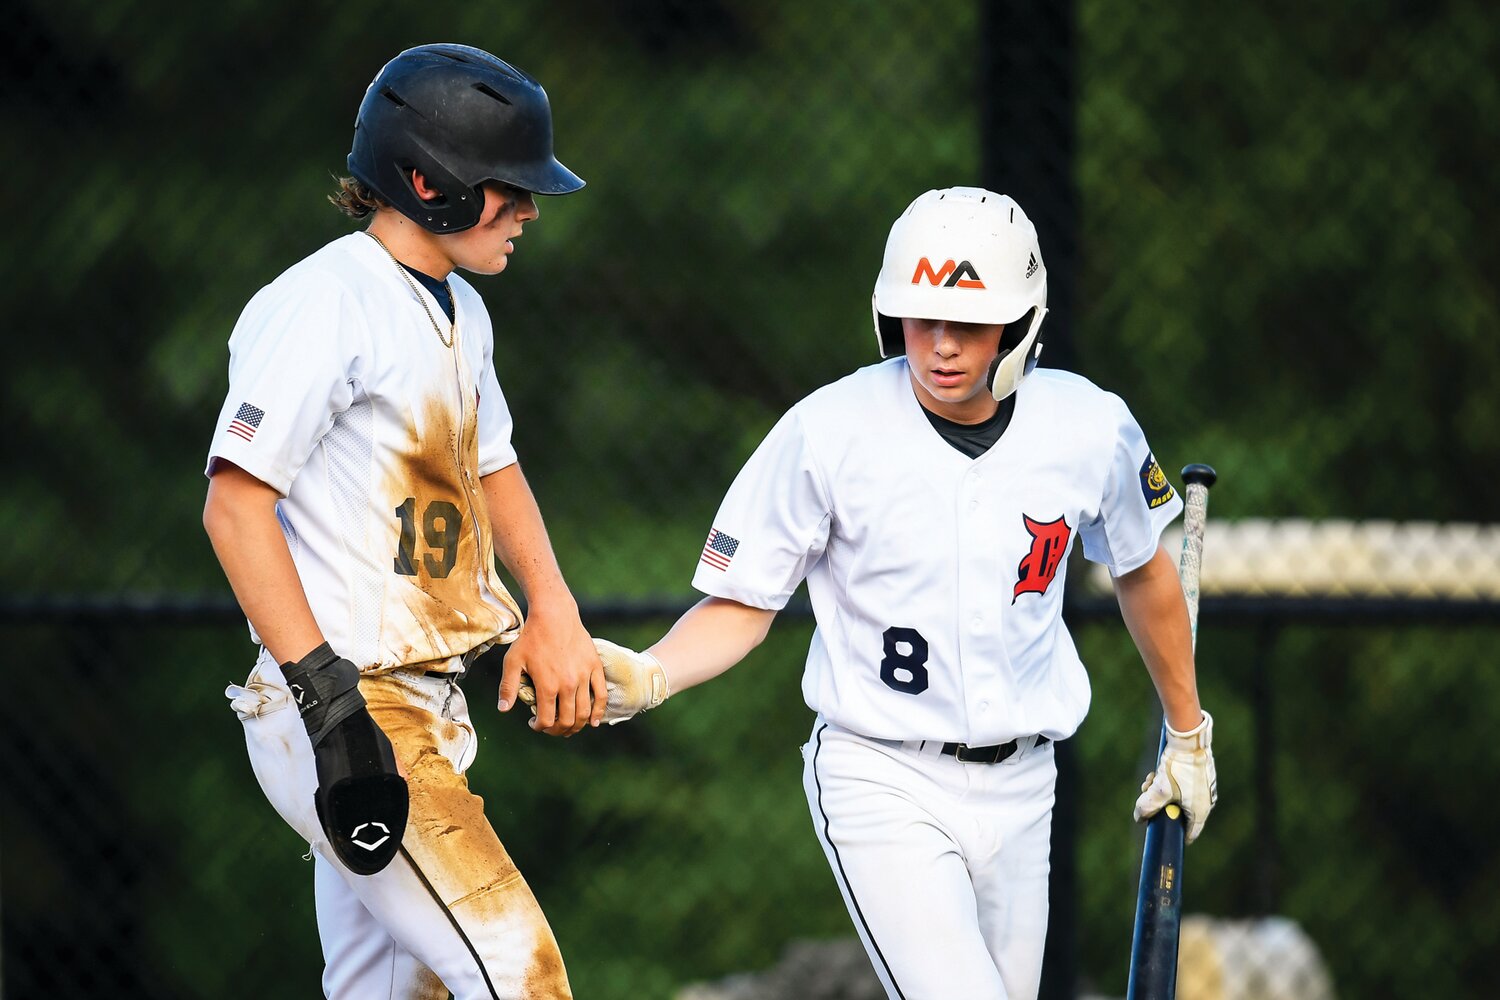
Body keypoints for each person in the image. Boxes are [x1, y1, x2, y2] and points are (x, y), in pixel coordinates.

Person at [585, 187, 1218, 999]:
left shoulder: (1090, 426)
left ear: (1022, 325)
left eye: (970, 324)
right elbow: (747, 601)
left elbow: (1143, 571)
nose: (942, 346)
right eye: (922, 320)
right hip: (880, 774)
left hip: (1027, 781)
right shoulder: (828, 429)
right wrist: (654, 672)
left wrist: (1188, 734)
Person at [201, 43, 603, 1000]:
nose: (529, 211)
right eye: (507, 188)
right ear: (428, 182)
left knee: (391, 992)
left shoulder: (461, 306)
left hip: (422, 699)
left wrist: (553, 607)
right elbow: (234, 501)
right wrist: (328, 702)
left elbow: (493, 464)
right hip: (345, 702)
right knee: (521, 974)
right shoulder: (324, 302)